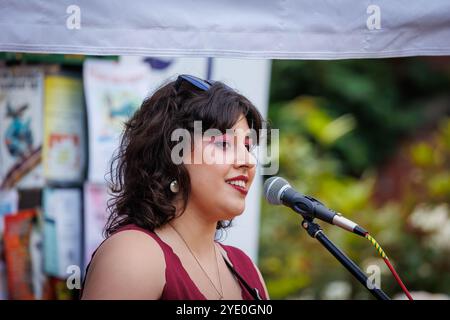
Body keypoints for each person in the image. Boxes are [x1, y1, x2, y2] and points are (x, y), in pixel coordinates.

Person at [81, 74, 269, 300]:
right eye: (223, 144)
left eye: (248, 146)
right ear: (173, 155)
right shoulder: (134, 254)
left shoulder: (246, 269)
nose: (247, 160)